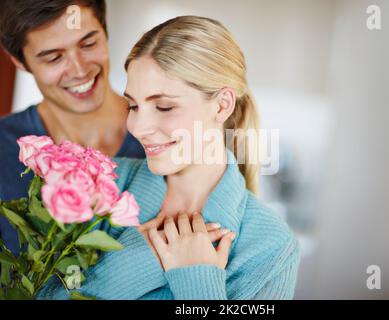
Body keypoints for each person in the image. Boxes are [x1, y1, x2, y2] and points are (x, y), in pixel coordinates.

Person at [38, 16, 300, 300]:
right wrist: (132, 262)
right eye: (133, 105)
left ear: (222, 105)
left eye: (163, 106)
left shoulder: (272, 247)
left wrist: (197, 282)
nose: (137, 127)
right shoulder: (97, 184)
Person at [0, 0, 145, 256]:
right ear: (20, 62)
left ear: (105, 29)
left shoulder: (173, 137)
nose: (79, 70)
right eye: (54, 58)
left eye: (88, 44)